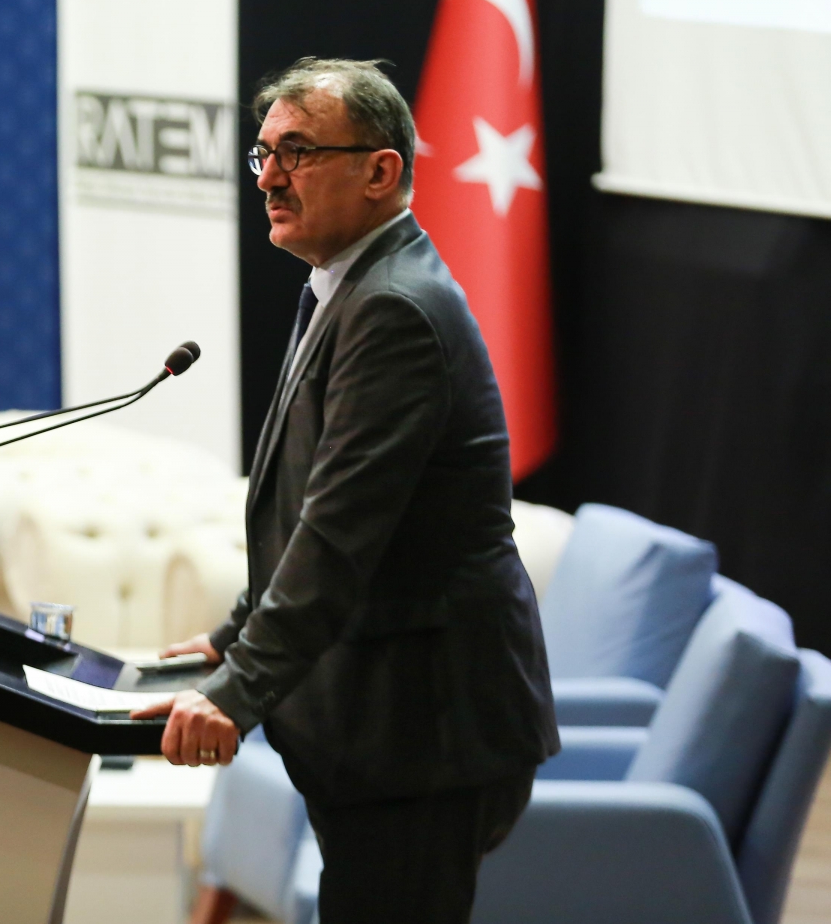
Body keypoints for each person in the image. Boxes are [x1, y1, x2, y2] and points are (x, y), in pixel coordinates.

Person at [133, 58, 558, 924]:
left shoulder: (395, 308)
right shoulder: (348, 286)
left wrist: (237, 690)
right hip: (392, 726)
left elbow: (339, 535)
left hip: (424, 730)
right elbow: (308, 512)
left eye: (297, 152)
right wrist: (233, 638)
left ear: (380, 171)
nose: (270, 177)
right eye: (264, 154)